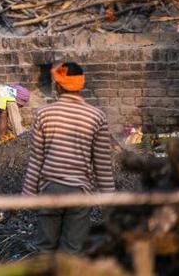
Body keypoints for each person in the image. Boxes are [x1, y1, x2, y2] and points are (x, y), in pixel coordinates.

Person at [22, 62, 115, 253]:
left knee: (45, 247)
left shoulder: (43, 114)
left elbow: (36, 159)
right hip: (79, 192)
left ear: (57, 86)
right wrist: (109, 201)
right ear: (81, 85)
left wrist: (28, 194)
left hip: (50, 190)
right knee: (73, 250)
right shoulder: (96, 117)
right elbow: (102, 164)